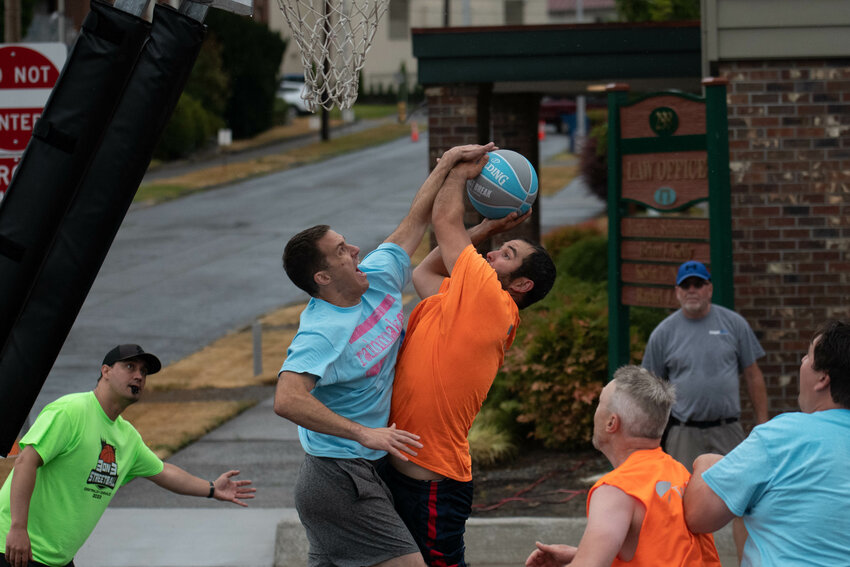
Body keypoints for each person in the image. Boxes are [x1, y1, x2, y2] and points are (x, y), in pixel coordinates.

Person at [274, 143, 497, 567]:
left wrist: (450, 164)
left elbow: (415, 220)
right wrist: (363, 433)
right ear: (323, 278)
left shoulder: (374, 277)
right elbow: (287, 399)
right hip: (338, 474)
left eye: (346, 243)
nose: (355, 249)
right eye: (341, 250)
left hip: (368, 469)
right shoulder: (322, 331)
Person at [380, 151, 556, 566]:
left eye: (506, 254)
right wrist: (488, 227)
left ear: (523, 283)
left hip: (431, 484)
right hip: (407, 472)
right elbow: (424, 272)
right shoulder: (467, 304)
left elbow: (444, 225)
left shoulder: (491, 303)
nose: (492, 253)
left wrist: (459, 172)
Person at [0, 344, 255, 567]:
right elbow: (25, 461)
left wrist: (211, 488)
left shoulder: (127, 437)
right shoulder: (71, 411)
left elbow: (164, 471)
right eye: (130, 367)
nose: (139, 376)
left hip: (56, 558)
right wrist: (18, 528)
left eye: (143, 372)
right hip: (13, 548)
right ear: (106, 371)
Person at [684, 320, 850, 566]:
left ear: (822, 379)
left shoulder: (783, 437)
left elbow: (698, 514)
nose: (802, 362)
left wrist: (706, 463)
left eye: (808, 355)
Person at [525, 366, 721, 567]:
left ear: (611, 423)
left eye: (600, 403)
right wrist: (579, 554)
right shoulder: (680, 474)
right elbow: (660, 549)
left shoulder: (617, 489)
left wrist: (585, 559)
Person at [641, 260, 768, 471]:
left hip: (728, 431)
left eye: (697, 284)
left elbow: (753, 374)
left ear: (709, 289)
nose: (692, 290)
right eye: (685, 285)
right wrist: (649, 435)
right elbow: (650, 387)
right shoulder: (663, 334)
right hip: (684, 434)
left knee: (734, 493)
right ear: (677, 291)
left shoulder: (734, 324)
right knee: (682, 495)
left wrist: (762, 422)